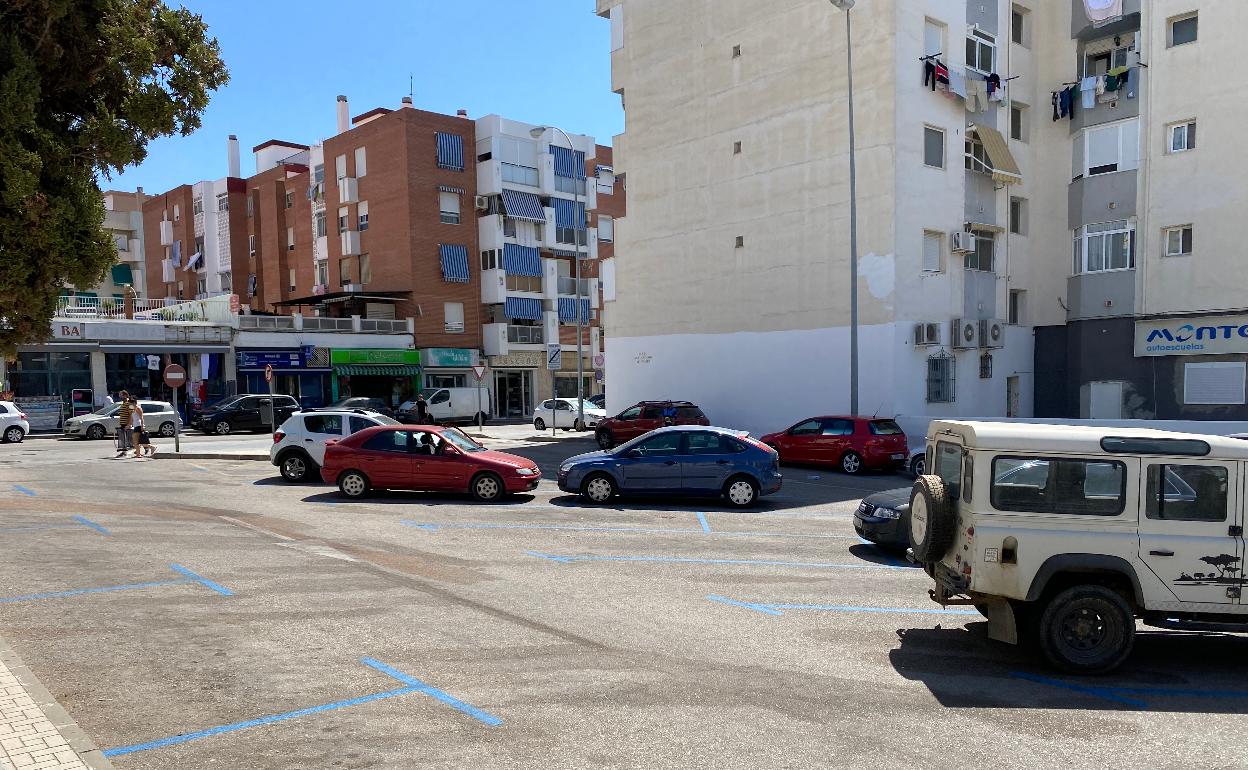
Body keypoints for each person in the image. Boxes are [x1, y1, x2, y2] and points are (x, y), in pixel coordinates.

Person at [114, 391, 132, 457]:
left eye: (120, 395)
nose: (119, 397)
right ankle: (124, 451)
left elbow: (131, 414)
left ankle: (145, 447)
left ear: (125, 395)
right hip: (123, 423)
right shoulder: (123, 403)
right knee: (124, 438)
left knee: (130, 438)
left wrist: (129, 424)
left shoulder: (129, 403)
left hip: (126, 423)